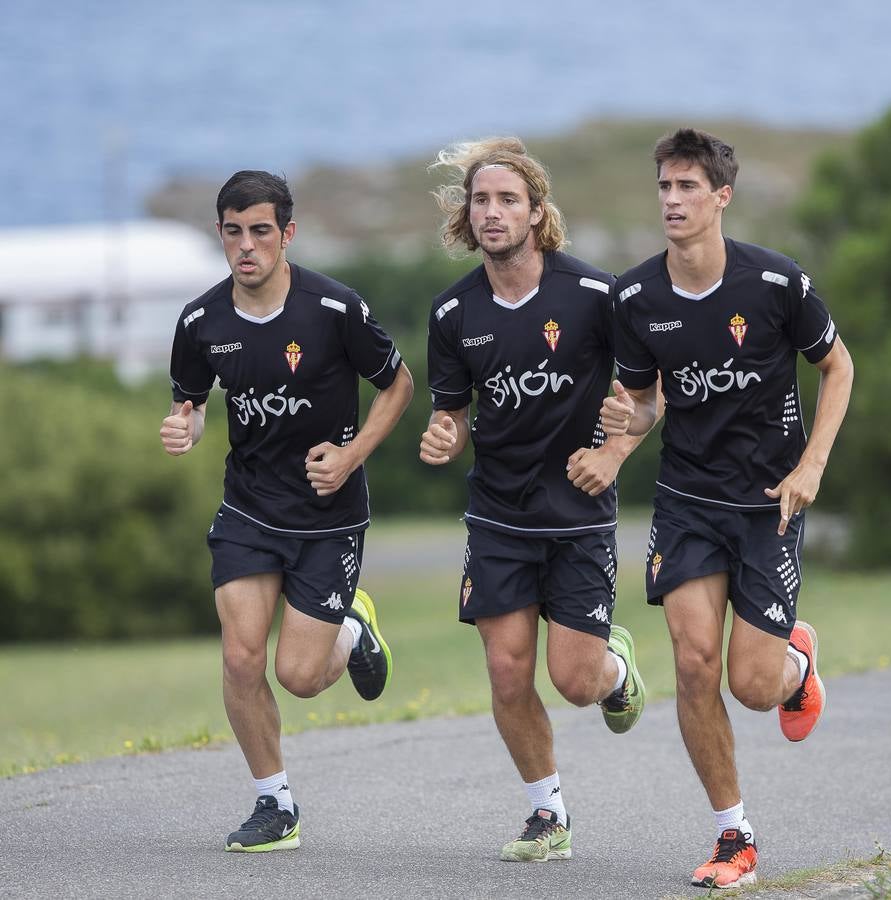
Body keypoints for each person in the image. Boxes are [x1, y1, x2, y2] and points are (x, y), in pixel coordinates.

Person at [600, 128, 854, 890]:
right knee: (692, 661)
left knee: (751, 683)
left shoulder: (776, 284)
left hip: (767, 503)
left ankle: (795, 661)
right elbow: (647, 406)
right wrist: (625, 428)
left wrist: (812, 464)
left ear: (721, 197)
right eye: (664, 188)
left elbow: (838, 368)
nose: (673, 201)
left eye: (687, 188)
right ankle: (732, 834)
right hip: (686, 501)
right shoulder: (636, 297)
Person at [159, 170, 414, 852]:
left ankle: (353, 630)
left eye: (261, 232)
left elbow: (398, 385)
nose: (247, 246)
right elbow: (189, 400)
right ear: (221, 234)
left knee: (298, 676)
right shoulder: (201, 321)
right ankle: (275, 804)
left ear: (286, 235)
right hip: (247, 509)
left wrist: (353, 454)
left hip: (329, 517)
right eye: (234, 232)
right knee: (242, 657)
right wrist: (183, 425)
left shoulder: (334, 310)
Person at [419, 138, 657, 863]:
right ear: (466, 217)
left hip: (579, 515)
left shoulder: (593, 295)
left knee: (575, 682)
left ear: (536, 212)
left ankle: (616, 669)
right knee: (506, 669)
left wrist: (615, 449)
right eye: (480, 201)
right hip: (498, 515)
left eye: (507, 200)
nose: (491, 213)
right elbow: (454, 413)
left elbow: (652, 391)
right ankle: (546, 814)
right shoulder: (453, 313)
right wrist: (444, 434)